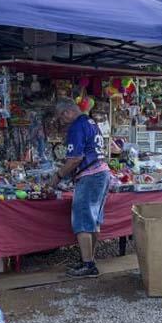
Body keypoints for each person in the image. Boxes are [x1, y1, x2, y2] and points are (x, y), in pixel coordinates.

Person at [49, 98, 111, 278]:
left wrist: (58, 176)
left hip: (90, 175)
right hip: (102, 173)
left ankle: (88, 265)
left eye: (61, 118)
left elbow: (75, 158)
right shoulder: (91, 122)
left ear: (67, 112)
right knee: (94, 220)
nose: (62, 122)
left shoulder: (76, 127)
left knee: (82, 221)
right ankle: (89, 259)